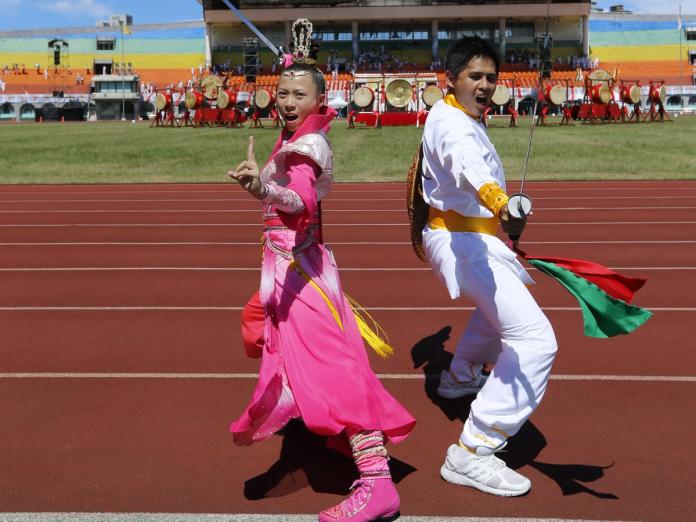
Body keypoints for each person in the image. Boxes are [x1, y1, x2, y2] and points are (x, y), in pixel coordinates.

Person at [228, 18, 415, 521]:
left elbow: (300, 201)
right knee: (261, 330)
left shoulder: (308, 147)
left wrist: (263, 190)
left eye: (299, 95)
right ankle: (325, 424)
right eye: (283, 92)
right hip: (288, 274)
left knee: (337, 371)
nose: (288, 101)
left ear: (318, 101)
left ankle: (376, 482)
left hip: (302, 278)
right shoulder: (291, 139)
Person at [419, 36, 558, 497]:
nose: (484, 85)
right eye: (474, 76)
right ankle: (473, 450)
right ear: (451, 80)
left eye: (490, 78)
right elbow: (467, 167)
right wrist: (500, 202)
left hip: (470, 236)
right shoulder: (452, 125)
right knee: (536, 339)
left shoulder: (458, 115)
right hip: (463, 241)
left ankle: (459, 379)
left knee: (498, 315)